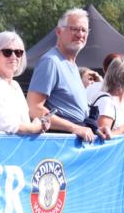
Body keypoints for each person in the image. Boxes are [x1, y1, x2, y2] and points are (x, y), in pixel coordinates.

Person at [27, 8, 99, 141]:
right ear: (59, 32)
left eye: (84, 30)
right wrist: (74, 128)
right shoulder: (51, 62)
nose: (80, 34)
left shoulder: (71, 64)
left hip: (75, 139)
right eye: (74, 29)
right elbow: (34, 109)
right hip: (61, 143)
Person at [0, 32, 50, 135]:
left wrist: (40, 125)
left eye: (18, 52)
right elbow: (5, 125)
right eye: (7, 52)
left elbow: (22, 123)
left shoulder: (15, 85)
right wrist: (34, 127)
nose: (14, 57)